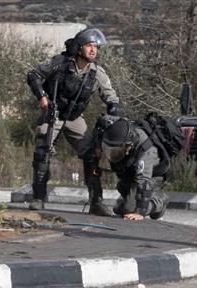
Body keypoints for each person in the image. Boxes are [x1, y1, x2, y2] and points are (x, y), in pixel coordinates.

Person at [26, 28, 120, 216]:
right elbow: (33, 75)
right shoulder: (59, 64)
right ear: (79, 48)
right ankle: (38, 198)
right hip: (53, 114)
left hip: (75, 118)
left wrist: (114, 111)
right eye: (89, 46)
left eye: (96, 47)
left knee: (92, 154)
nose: (93, 50)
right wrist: (42, 97)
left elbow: (111, 96)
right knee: (42, 150)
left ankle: (96, 202)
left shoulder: (96, 73)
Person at [94, 115, 169, 221]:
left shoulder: (146, 149)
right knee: (122, 205)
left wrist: (140, 212)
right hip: (132, 172)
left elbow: (144, 181)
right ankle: (131, 201)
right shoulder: (110, 129)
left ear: (128, 146)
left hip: (153, 175)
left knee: (129, 209)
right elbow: (100, 123)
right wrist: (98, 146)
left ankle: (160, 200)